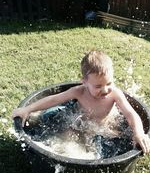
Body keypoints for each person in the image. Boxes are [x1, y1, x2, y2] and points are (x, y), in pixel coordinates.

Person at [12, 50, 150, 154]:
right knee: (67, 138)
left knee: (101, 145)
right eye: (98, 86)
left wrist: (138, 132)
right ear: (84, 82)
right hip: (79, 122)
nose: (105, 89)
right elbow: (54, 99)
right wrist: (28, 109)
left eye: (109, 83)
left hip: (105, 125)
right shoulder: (79, 91)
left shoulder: (115, 94)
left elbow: (131, 114)